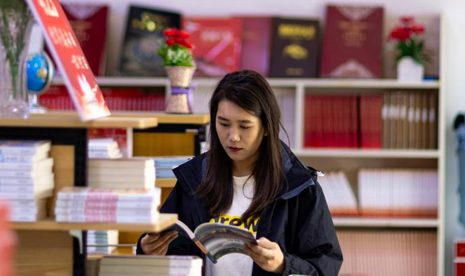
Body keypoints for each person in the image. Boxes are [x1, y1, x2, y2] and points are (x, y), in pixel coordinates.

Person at [138, 70, 343, 275]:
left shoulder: (299, 187)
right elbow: (173, 250)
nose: (233, 136)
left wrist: (282, 265)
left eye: (244, 126)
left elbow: (325, 267)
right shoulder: (194, 178)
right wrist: (147, 250)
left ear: (266, 127)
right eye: (224, 124)